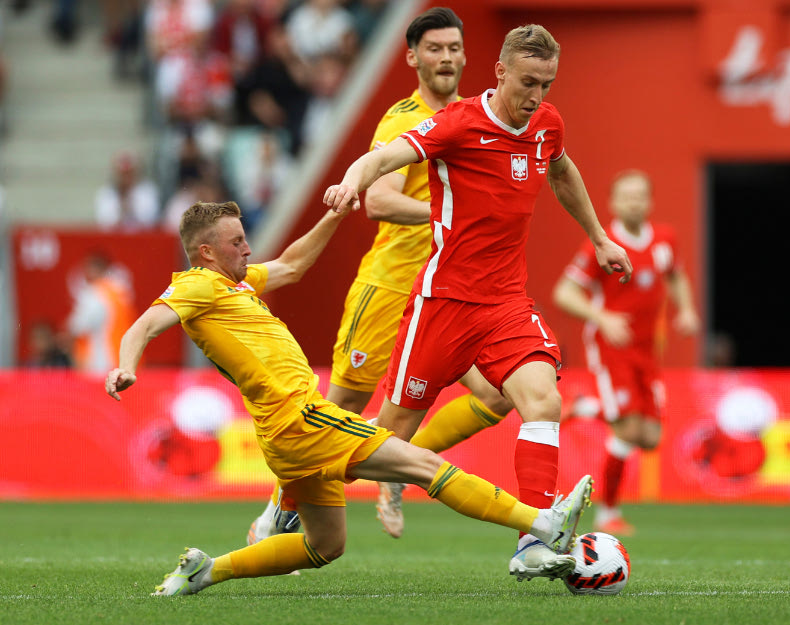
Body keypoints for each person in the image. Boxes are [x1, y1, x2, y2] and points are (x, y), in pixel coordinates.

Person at [104, 200, 593, 596]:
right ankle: (542, 523)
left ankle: (205, 573)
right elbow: (145, 325)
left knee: (325, 546)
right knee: (424, 466)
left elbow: (292, 266)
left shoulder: (234, 284)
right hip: (303, 417)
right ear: (206, 252)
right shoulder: (197, 285)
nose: (248, 249)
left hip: (283, 437)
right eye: (237, 242)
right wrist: (127, 366)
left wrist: (334, 215)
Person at [323, 24, 632, 582]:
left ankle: (533, 539)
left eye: (547, 84)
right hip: (442, 303)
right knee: (387, 437)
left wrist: (600, 238)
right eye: (528, 82)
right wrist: (350, 183)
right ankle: (292, 496)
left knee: (542, 402)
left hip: (506, 301)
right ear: (500, 72)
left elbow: (561, 170)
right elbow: (385, 159)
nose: (536, 96)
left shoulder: (546, 123)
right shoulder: (459, 123)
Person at [246, 6, 518, 548]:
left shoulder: (474, 116)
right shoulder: (404, 120)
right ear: (413, 57)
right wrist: (451, 211)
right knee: (342, 406)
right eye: (435, 48)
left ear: (467, 55)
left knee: (495, 395)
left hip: (449, 290)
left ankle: (400, 474)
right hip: (391, 286)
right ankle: (283, 507)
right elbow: (378, 199)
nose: (446, 57)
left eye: (454, 48)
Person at [552, 169, 700, 535]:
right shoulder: (601, 246)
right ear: (612, 203)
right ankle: (608, 515)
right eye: (626, 196)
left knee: (650, 439)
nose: (634, 202)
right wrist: (601, 317)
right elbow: (564, 293)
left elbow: (676, 275)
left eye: (640, 196)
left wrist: (687, 309)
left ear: (650, 202)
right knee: (627, 429)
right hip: (612, 347)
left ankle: (587, 406)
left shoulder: (665, 240)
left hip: (648, 351)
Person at [67, 252, 135, 373]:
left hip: (99, 362)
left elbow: (78, 327)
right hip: (124, 358)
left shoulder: (94, 293)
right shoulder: (120, 291)